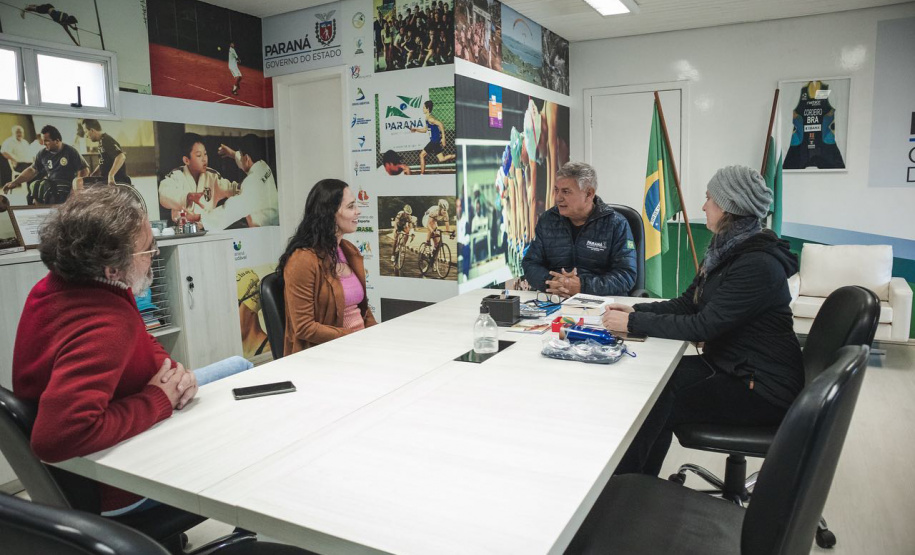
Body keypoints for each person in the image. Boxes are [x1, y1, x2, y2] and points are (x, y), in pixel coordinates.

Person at [11, 185, 252, 516]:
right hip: (118, 487)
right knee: (247, 439)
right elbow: (54, 439)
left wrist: (172, 371)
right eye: (147, 249)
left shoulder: (60, 287)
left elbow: (140, 340)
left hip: (95, 456)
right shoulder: (107, 325)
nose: (154, 254)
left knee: (239, 366)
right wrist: (158, 400)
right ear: (112, 267)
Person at [603, 165, 804, 477]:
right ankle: (635, 484)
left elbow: (703, 326)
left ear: (727, 206)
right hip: (732, 365)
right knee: (652, 383)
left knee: (654, 400)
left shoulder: (757, 263)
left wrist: (632, 326)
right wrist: (637, 313)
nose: (703, 206)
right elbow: (688, 303)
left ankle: (624, 487)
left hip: (760, 387)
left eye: (709, 198)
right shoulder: (728, 248)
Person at [277, 179, 376, 354]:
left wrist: (378, 335)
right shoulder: (302, 260)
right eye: (351, 206)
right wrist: (353, 337)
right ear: (330, 214)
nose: (358, 211)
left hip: (358, 345)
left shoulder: (348, 250)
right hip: (327, 353)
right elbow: (304, 327)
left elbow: (363, 311)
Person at [522, 161, 636, 297]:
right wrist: (552, 281)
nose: (558, 198)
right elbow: (530, 264)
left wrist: (582, 286)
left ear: (589, 194)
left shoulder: (616, 224)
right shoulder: (548, 220)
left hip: (601, 303)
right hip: (555, 300)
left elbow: (626, 275)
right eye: (556, 190)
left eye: (566, 191)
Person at [186, 133, 279, 229]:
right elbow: (246, 163)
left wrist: (202, 220)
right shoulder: (263, 166)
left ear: (246, 158)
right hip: (275, 220)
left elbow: (230, 210)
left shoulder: (251, 183)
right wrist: (232, 153)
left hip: (265, 228)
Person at [158, 133, 238, 227]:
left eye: (205, 154)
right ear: (186, 160)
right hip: (182, 230)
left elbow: (235, 189)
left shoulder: (212, 177)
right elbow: (164, 194)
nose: (204, 159)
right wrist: (187, 197)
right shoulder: (177, 176)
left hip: (207, 227)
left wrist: (236, 156)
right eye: (199, 155)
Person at [2, 125, 88, 205]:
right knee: (35, 187)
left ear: (57, 141)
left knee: (46, 190)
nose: (43, 143)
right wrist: (15, 182)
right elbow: (32, 170)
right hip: (52, 183)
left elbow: (84, 170)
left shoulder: (70, 151)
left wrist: (77, 188)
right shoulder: (42, 153)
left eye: (46, 141)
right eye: (43, 140)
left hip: (68, 184)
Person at [410, 100, 455, 174]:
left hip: (434, 141)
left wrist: (443, 138)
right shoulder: (427, 118)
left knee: (421, 155)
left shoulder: (430, 118)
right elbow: (425, 130)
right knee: (441, 159)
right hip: (435, 141)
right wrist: (416, 129)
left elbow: (440, 124)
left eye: (424, 107)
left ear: (428, 109)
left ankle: (422, 174)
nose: (423, 109)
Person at [81, 119, 130, 186]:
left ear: (92, 130)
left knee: (79, 182)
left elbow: (121, 156)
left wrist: (111, 175)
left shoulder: (106, 140)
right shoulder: (101, 142)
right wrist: (94, 173)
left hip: (116, 179)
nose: (86, 135)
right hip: (104, 178)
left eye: (86, 131)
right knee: (79, 181)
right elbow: (103, 162)